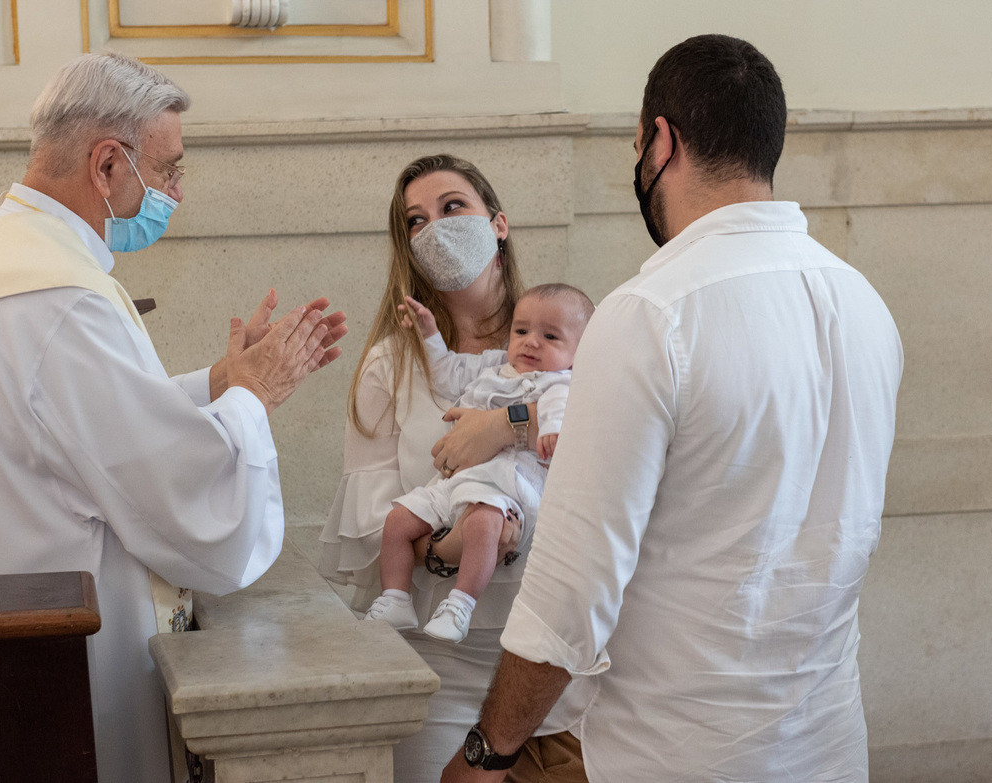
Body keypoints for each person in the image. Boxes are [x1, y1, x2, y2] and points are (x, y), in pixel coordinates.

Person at [441, 34, 904, 783]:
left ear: (661, 142)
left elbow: (572, 589)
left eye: (637, 148)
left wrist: (486, 752)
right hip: (825, 748)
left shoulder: (652, 313)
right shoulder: (864, 303)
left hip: (671, 751)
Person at [0, 51, 347, 783]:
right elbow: (178, 496)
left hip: (21, 638)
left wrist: (220, 382)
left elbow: (94, 428)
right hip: (72, 663)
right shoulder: (56, 298)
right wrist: (256, 394)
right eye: (168, 170)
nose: (176, 192)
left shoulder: (20, 259)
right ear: (108, 163)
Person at [320, 154, 594, 782]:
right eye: (416, 221)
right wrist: (464, 543)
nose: (435, 229)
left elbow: (611, 467)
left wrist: (507, 425)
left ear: (498, 224)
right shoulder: (394, 363)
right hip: (436, 657)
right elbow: (372, 527)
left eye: (452, 208)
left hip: (551, 651)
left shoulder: (569, 344)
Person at [367, 284, 594, 643]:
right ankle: (395, 598)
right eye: (522, 331)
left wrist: (551, 430)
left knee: (484, 526)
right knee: (398, 521)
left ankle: (460, 605)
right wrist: (430, 335)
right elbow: (447, 372)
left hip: (503, 485)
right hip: (453, 481)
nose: (531, 342)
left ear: (581, 352)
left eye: (550, 336)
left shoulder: (559, 384)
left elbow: (558, 413)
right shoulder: (496, 366)